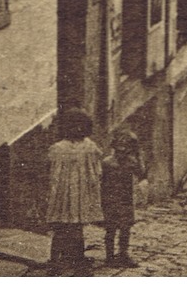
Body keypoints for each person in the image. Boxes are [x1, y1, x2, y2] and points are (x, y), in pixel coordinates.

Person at [45, 107, 102, 276]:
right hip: (63, 195)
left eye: (81, 125)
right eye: (73, 125)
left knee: (76, 230)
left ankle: (76, 262)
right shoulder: (58, 148)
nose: (78, 129)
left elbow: (97, 168)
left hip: (79, 195)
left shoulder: (90, 147)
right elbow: (50, 170)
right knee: (61, 228)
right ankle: (56, 262)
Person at [100, 128, 145, 268]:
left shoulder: (131, 162)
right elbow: (101, 181)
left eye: (126, 149)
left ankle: (123, 254)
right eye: (119, 148)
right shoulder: (107, 163)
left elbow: (141, 172)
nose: (122, 152)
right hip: (110, 199)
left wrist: (138, 156)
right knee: (111, 229)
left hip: (126, 199)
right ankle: (109, 256)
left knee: (125, 228)